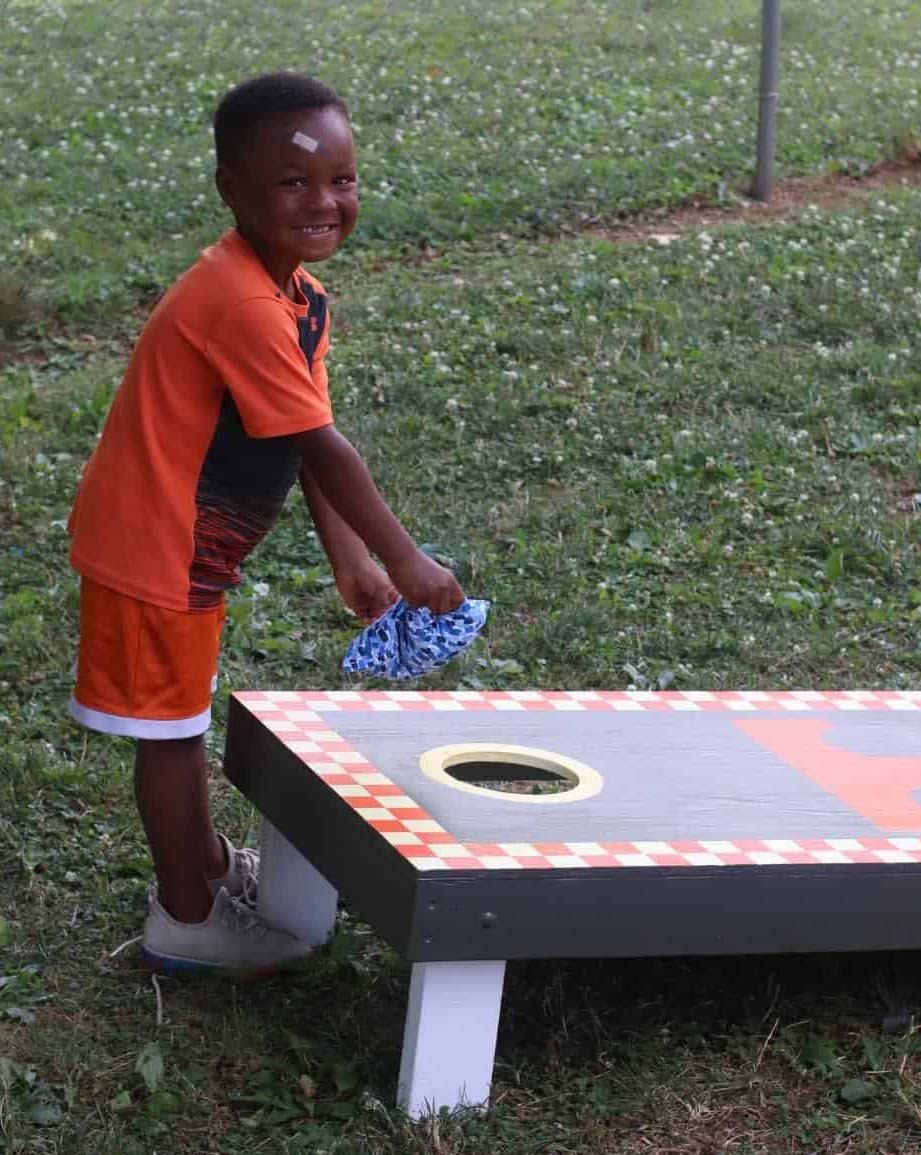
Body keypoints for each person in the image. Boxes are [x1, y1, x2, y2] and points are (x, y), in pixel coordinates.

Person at [67, 72, 465, 974]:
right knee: (169, 734)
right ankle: (183, 915)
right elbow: (326, 450)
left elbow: (300, 434)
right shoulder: (243, 303)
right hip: (153, 545)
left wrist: (351, 563)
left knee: (180, 720)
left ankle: (204, 868)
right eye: (292, 182)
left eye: (343, 178)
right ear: (230, 191)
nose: (324, 200)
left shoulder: (296, 295)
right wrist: (403, 560)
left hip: (187, 546)